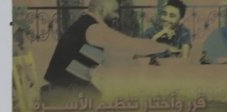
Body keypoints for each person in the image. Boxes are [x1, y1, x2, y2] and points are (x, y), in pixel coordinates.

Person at [43, 0, 179, 95]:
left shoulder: (85, 26)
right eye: (114, 12)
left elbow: (110, 62)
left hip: (65, 88)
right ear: (102, 10)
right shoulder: (93, 28)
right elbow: (130, 44)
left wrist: (143, 62)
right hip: (64, 93)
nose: (117, 16)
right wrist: (164, 47)